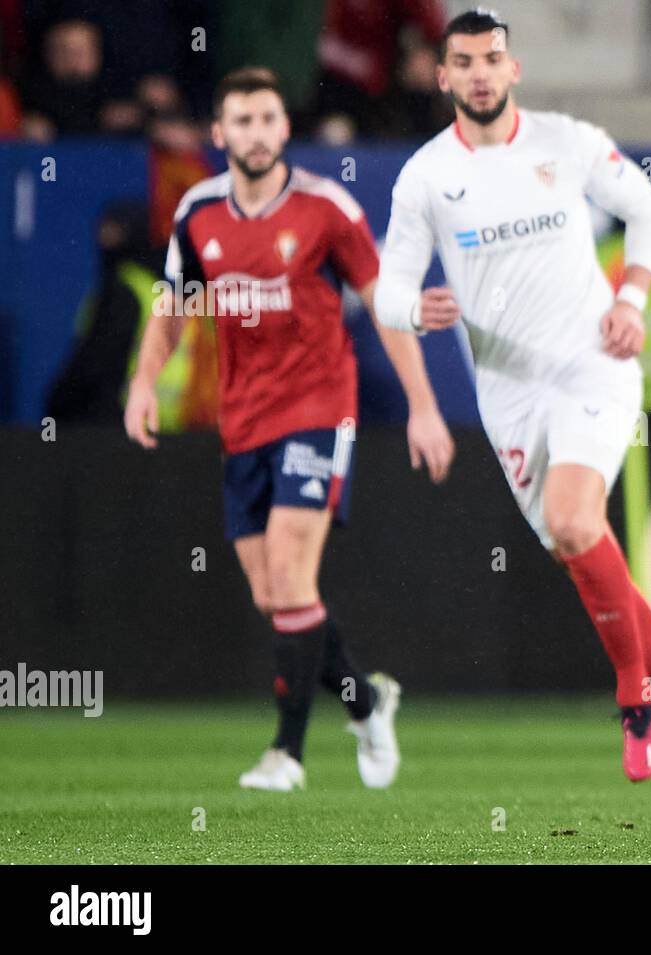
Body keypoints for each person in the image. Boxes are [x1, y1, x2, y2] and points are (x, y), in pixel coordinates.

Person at [374, 8, 651, 804]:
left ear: (514, 70)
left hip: (592, 365)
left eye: (491, 58)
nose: (478, 72)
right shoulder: (426, 176)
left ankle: (636, 697)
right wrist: (414, 310)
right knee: (586, 549)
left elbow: (647, 210)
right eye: (462, 60)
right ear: (442, 77)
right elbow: (388, 288)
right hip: (508, 393)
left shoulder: (565, 142)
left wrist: (633, 297)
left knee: (577, 523)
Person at [125, 67, 456, 792]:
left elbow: (383, 305)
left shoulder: (326, 208)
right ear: (219, 134)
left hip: (317, 408)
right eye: (240, 120)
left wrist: (423, 405)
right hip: (243, 420)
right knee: (275, 595)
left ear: (284, 128)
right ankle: (366, 702)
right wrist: (145, 382)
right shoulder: (198, 214)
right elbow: (173, 305)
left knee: (289, 572)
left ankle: (288, 754)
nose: (256, 132)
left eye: (268, 118)